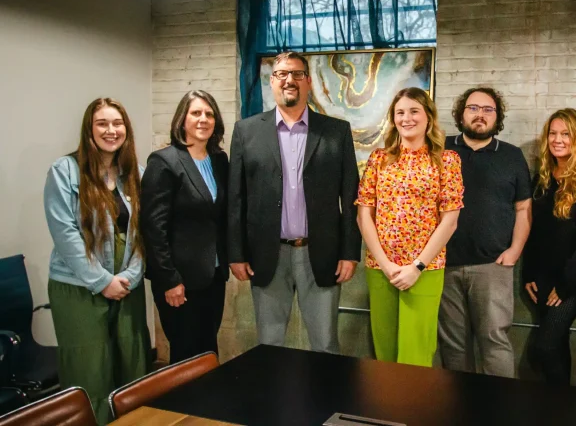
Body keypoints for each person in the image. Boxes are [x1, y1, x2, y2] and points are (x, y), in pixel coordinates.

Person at [228, 51, 361, 354]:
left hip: (321, 253)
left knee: (325, 343)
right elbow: (237, 199)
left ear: (309, 82)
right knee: (269, 344)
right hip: (266, 253)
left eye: (298, 74)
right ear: (271, 81)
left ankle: (325, 402)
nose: (289, 80)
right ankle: (274, 402)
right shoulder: (246, 131)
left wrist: (349, 253)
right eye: (282, 74)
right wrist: (236, 253)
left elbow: (350, 197)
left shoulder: (336, 132)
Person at [43, 98, 149, 424]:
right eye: (102, 123)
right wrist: (102, 281)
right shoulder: (65, 171)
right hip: (79, 287)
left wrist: (131, 275)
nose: (111, 130)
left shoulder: (136, 174)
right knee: (90, 371)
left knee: (132, 365)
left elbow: (145, 233)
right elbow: (65, 234)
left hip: (126, 286)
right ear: (89, 129)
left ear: (126, 130)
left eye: (117, 123)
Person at [357, 87, 464, 367]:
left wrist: (417, 266)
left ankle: (413, 410)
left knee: (416, 351)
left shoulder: (447, 160)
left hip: (425, 269)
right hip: (381, 268)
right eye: (400, 112)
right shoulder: (379, 159)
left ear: (428, 116)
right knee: (385, 348)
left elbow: (449, 221)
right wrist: (385, 263)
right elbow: (363, 215)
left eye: (414, 111)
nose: (407, 118)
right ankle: (386, 410)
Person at [437, 87, 531, 378]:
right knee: (452, 347)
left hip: (492, 266)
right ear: (461, 114)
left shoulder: (512, 156)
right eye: (473, 108)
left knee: (495, 342)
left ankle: (499, 411)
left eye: (488, 109)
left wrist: (514, 251)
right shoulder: (441, 148)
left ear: (497, 116)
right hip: (443, 265)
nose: (480, 114)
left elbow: (523, 210)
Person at [141, 91, 229, 364]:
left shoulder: (219, 161)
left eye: (209, 114)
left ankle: (209, 406)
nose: (203, 119)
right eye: (196, 113)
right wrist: (169, 279)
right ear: (182, 119)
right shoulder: (164, 161)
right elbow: (153, 228)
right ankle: (184, 407)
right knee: (186, 353)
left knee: (208, 348)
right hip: (179, 280)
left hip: (213, 275)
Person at [522, 108, 576, 385]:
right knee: (556, 346)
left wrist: (568, 284)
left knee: (544, 346)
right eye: (553, 133)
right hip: (544, 277)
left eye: (565, 134)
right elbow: (535, 232)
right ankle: (559, 411)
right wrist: (529, 274)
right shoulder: (544, 177)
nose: (557, 140)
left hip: (574, 280)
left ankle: (562, 408)